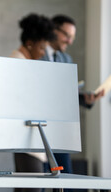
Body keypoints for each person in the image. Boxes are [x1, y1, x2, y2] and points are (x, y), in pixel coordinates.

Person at [40, 14, 104, 192]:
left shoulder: (66, 59)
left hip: (60, 130)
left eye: (72, 37)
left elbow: (68, 93)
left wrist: (86, 99)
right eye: (66, 35)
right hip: (38, 128)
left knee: (65, 179)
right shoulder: (37, 53)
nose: (69, 41)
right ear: (54, 29)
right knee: (39, 180)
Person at [10, 13, 55, 192]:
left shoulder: (24, 62)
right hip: (27, 140)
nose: (43, 52)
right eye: (42, 47)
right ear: (30, 43)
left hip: (31, 139)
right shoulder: (17, 63)